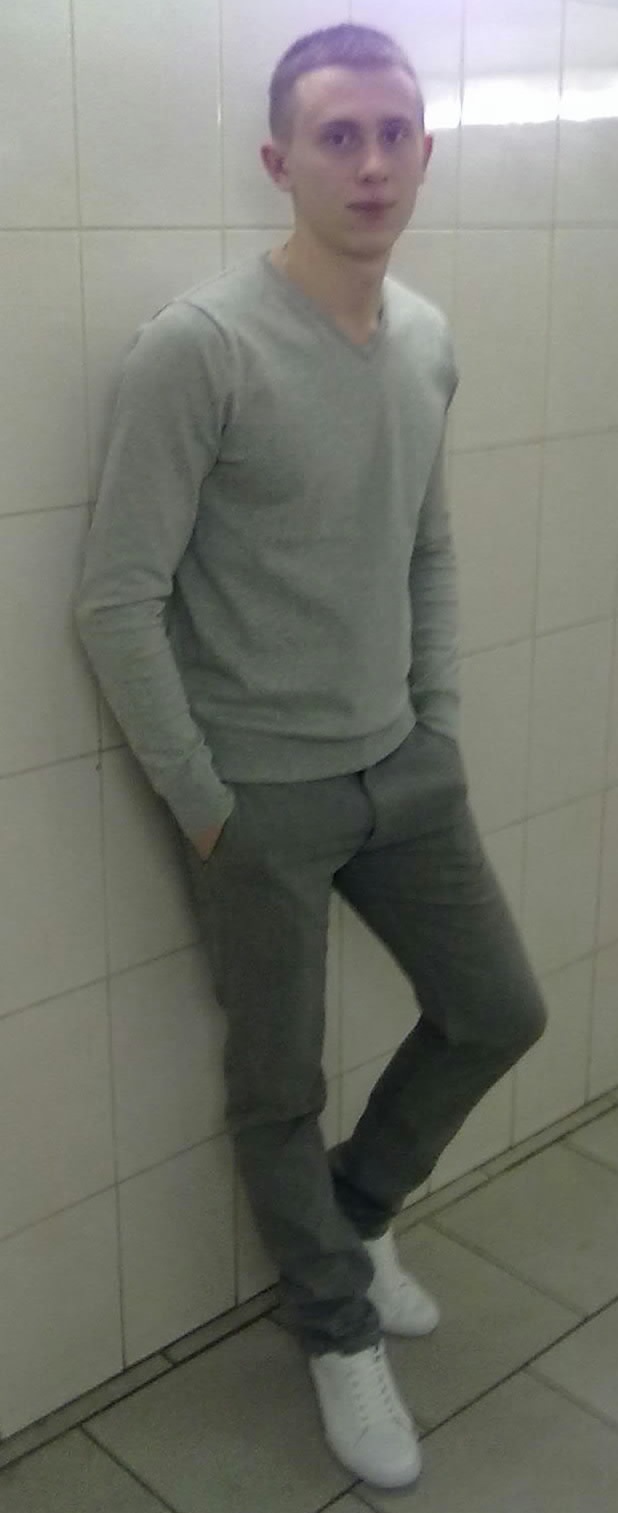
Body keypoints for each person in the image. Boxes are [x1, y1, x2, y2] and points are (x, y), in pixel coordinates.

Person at [75, 22, 548, 1493]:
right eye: (338, 136)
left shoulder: (425, 340)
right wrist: (207, 805)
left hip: (404, 771)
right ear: (279, 160)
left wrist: (439, 727)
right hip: (260, 799)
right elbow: (116, 599)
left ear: (426, 151)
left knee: (496, 1010)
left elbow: (426, 547)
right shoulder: (199, 348)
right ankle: (335, 1328)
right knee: (277, 1083)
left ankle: (354, 1213)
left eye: (394, 133)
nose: (371, 162)